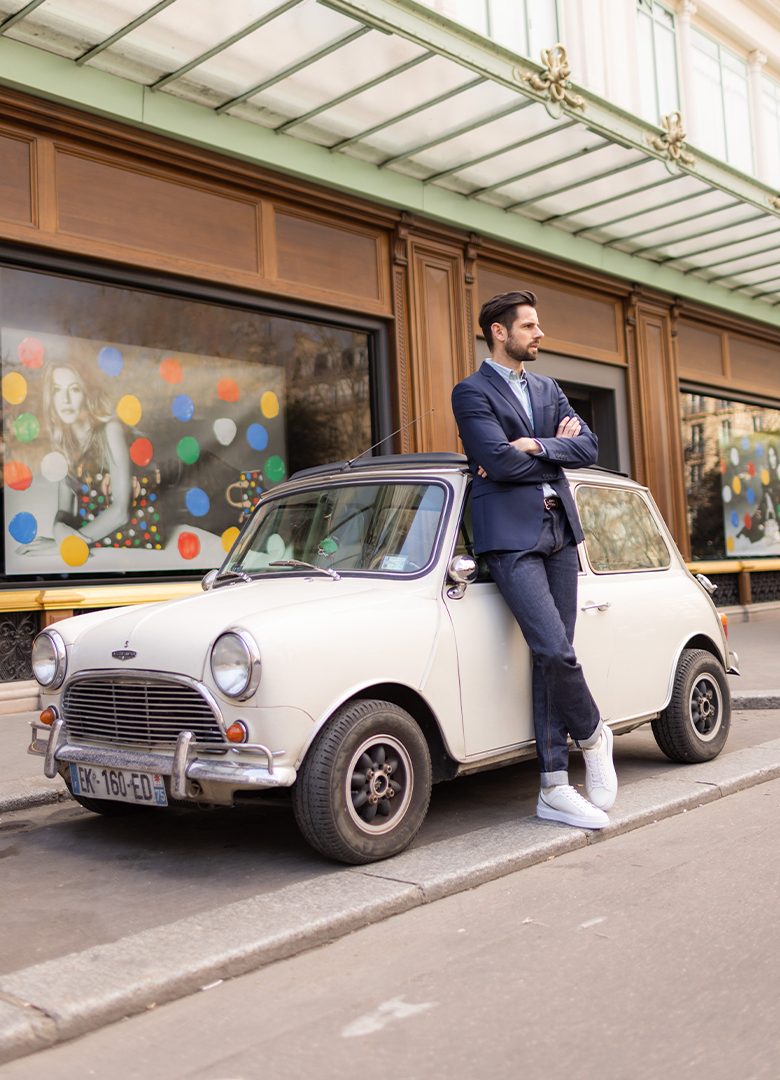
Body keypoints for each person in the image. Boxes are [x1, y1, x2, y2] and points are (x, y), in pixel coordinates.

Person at [451, 290, 617, 829]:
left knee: (554, 653)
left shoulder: (548, 387)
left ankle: (552, 787)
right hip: (510, 539)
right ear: (499, 332)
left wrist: (534, 446)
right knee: (553, 647)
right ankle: (593, 733)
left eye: (537, 325)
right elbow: (495, 461)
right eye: (529, 326)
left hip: (560, 532)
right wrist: (537, 449)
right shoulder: (470, 392)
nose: (539, 334)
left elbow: (589, 448)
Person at [17, 364, 133, 556]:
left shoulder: (110, 429)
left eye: (74, 389)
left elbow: (121, 511)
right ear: (50, 398)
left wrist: (62, 545)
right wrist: (58, 529)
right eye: (57, 391)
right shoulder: (64, 442)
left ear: (87, 394)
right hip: (104, 546)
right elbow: (64, 509)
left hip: (129, 549)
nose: (65, 399)